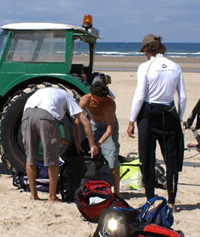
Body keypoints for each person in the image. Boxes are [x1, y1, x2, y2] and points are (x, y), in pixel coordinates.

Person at [127, 34, 187, 204]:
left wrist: (131, 120)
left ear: (147, 50)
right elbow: (182, 97)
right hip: (169, 113)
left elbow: (139, 95)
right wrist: (179, 118)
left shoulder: (145, 67)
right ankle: (172, 201)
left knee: (147, 157)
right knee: (171, 159)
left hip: (148, 112)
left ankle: (150, 198)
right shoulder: (175, 66)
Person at [21, 87, 98, 203]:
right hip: (46, 115)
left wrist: (59, 138)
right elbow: (85, 121)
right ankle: (52, 197)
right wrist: (92, 145)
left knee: (30, 157)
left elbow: (39, 122)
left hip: (27, 115)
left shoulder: (43, 92)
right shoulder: (67, 96)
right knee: (52, 159)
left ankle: (33, 195)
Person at [77, 80, 121, 195]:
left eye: (102, 101)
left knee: (112, 158)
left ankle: (117, 192)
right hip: (93, 125)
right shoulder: (85, 100)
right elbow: (76, 122)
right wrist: (77, 141)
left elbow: (110, 129)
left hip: (108, 127)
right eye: (96, 101)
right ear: (91, 96)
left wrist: (98, 144)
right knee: (92, 157)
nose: (98, 104)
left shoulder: (110, 104)